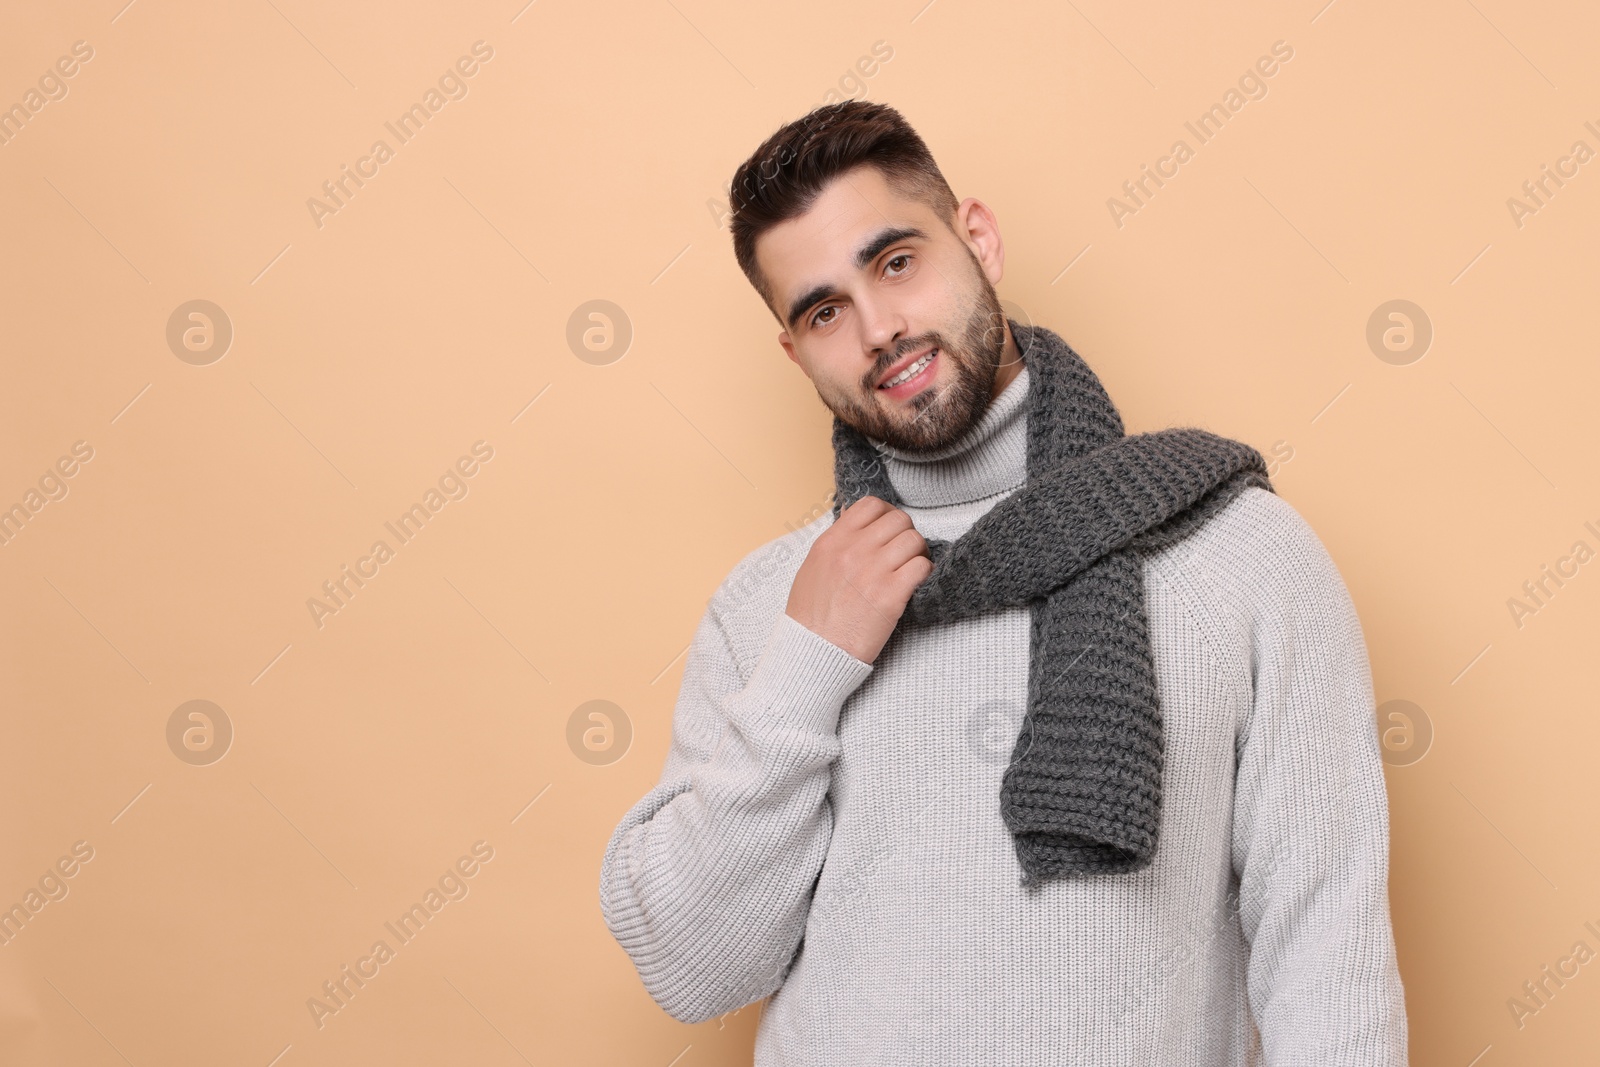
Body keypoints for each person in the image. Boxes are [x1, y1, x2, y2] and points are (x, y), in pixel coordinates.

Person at [598, 100, 1407, 1065]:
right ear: (794, 350)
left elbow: (1331, 953)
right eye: (823, 311)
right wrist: (806, 668)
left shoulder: (1240, 553)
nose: (879, 330)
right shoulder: (774, 606)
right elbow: (695, 969)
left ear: (976, 240)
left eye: (896, 262)